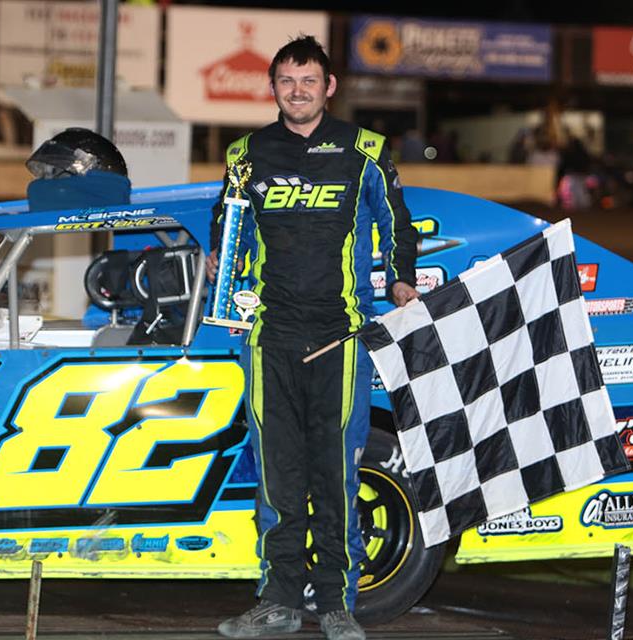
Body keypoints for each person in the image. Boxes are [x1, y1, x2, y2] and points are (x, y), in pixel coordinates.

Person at [207, 36, 419, 640]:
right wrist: (226, 289)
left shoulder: (365, 150)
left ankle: (336, 606)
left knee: (335, 476)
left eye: (308, 81)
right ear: (272, 88)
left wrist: (401, 280)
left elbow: (397, 225)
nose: (296, 91)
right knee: (278, 478)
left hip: (341, 339)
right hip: (269, 338)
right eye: (285, 82)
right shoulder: (247, 153)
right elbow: (227, 236)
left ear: (329, 87)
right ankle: (276, 601)